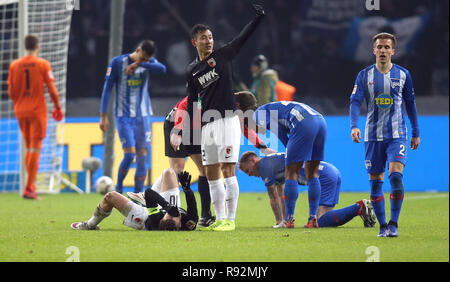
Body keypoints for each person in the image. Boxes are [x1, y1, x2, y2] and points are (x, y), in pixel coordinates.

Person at [176, 3, 265, 231]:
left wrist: (257, 19)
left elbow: (242, 38)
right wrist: (191, 130)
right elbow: (193, 101)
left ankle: (231, 220)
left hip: (226, 120)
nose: (209, 40)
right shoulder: (192, 71)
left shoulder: (223, 56)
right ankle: (220, 218)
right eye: (204, 37)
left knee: (228, 170)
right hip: (207, 126)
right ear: (194, 42)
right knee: (211, 173)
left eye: (211, 36)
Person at [349, 32, 420, 238]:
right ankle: (382, 227)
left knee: (396, 176)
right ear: (373, 50)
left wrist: (416, 131)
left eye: (387, 47)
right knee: (375, 181)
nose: (382, 50)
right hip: (372, 135)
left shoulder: (403, 75)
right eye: (379, 47)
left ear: (393, 51)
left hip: (397, 134)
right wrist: (354, 125)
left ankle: (394, 224)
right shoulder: (364, 75)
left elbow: (410, 104)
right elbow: (355, 102)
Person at [168, 95, 275, 227]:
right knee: (177, 170)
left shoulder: (229, 108)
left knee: (205, 170)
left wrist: (262, 147)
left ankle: (205, 216)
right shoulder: (210, 96)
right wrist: (177, 130)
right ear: (239, 106)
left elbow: (244, 128)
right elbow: (183, 106)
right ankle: (170, 214)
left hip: (196, 129)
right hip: (175, 123)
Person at [235, 91, 326, 228]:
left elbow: (276, 129)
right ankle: (312, 219)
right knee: (312, 173)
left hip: (303, 122)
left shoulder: (258, 114)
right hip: (320, 121)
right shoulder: (267, 108)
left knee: (291, 173)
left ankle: (288, 220)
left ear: (239, 106)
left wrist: (289, 150)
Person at [239, 151, 376, 228]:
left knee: (319, 223)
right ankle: (361, 209)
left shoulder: (264, 166)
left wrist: (280, 222)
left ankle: (358, 207)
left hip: (323, 176)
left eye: (247, 170)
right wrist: (284, 221)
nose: (250, 174)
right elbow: (281, 194)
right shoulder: (272, 162)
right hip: (329, 171)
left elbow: (273, 197)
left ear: (253, 160)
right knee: (325, 220)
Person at [99, 40, 166, 193]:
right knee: (129, 155)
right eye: (141, 58)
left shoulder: (147, 62)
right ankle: (119, 188)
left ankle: (138, 196)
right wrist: (103, 116)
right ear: (137, 50)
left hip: (142, 117)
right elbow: (107, 89)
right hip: (123, 117)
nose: (143, 61)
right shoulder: (117, 63)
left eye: (146, 60)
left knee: (142, 158)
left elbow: (162, 69)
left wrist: (140, 64)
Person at [7, 34, 64, 200]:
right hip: (37, 110)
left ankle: (29, 185)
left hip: (20, 110)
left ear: (25, 46)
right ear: (37, 46)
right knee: (35, 148)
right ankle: (29, 188)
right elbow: (52, 90)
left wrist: (20, 102)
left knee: (29, 147)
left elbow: (11, 92)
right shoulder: (42, 64)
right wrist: (58, 106)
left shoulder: (14, 65)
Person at [71, 169, 198, 231]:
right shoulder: (188, 223)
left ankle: (90, 225)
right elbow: (193, 210)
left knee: (110, 197)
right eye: (173, 215)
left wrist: (166, 207)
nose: (172, 213)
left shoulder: (156, 220)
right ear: (180, 223)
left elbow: (149, 192)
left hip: (144, 218)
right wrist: (187, 189)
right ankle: (146, 200)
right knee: (169, 172)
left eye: (169, 216)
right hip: (165, 205)